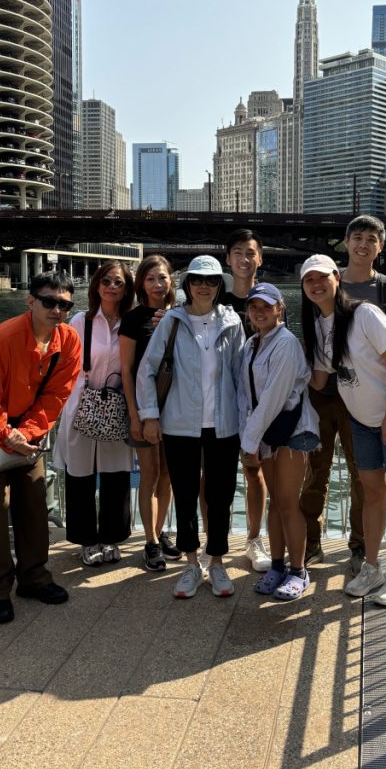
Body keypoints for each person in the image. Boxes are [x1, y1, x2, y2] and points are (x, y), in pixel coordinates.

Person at [301, 254, 386, 608]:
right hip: (362, 421)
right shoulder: (319, 327)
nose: (316, 284)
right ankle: (372, 567)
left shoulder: (365, 314)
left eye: (322, 277)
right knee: (372, 494)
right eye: (309, 280)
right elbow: (319, 379)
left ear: (337, 278)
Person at [0, 272, 81, 624]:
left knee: (34, 505)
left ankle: (34, 578)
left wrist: (25, 433)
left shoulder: (69, 341)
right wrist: (6, 435)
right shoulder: (2, 339)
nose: (57, 310)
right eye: (49, 301)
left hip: (27, 433)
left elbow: (57, 395)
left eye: (64, 305)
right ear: (31, 301)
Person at [300, 215, 386, 578]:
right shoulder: (321, 284)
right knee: (315, 471)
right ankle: (310, 542)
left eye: (371, 239)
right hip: (323, 396)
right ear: (345, 243)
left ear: (381, 247)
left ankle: (361, 545)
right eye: (357, 237)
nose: (363, 245)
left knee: (365, 476)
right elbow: (314, 344)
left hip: (362, 401)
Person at [137, 255, 244, 599]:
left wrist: (247, 423)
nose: (203, 286)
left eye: (211, 280)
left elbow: (241, 376)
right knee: (184, 494)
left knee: (220, 496)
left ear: (219, 286)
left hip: (224, 424)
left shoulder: (232, 322)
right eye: (197, 280)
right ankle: (191, 563)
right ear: (187, 284)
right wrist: (150, 415)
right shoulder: (172, 321)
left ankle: (217, 561)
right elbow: (147, 370)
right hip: (180, 423)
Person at [237, 283, 320, 600]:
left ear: (279, 309)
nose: (259, 312)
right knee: (276, 501)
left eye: (266, 306)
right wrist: (249, 437)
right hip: (267, 434)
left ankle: (298, 571)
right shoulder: (252, 344)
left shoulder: (286, 344)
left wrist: (249, 441)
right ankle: (276, 566)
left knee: (287, 502)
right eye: (254, 307)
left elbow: (274, 397)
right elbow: (246, 396)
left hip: (291, 432)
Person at [53, 261, 135, 567]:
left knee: (116, 475)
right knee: (80, 475)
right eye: (107, 281)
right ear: (97, 285)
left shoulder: (130, 321)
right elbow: (63, 362)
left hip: (117, 404)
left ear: (126, 289)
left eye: (119, 283)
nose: (112, 287)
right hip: (81, 402)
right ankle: (86, 540)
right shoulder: (80, 321)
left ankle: (112, 536)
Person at [120, 254, 181, 571]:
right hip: (145, 409)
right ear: (141, 284)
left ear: (171, 280)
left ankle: (160, 531)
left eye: (162, 278)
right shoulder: (133, 319)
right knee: (150, 474)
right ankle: (150, 541)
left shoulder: (180, 315)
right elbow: (127, 371)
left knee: (168, 474)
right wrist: (135, 416)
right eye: (150, 279)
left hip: (177, 409)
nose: (158, 284)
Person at [219, 228, 272, 573]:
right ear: (228, 258)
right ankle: (214, 541)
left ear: (259, 259)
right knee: (212, 475)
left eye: (250, 252)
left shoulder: (267, 300)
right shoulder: (215, 298)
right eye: (237, 252)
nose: (243, 259)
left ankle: (254, 539)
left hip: (255, 402)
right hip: (219, 400)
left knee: (254, 469)